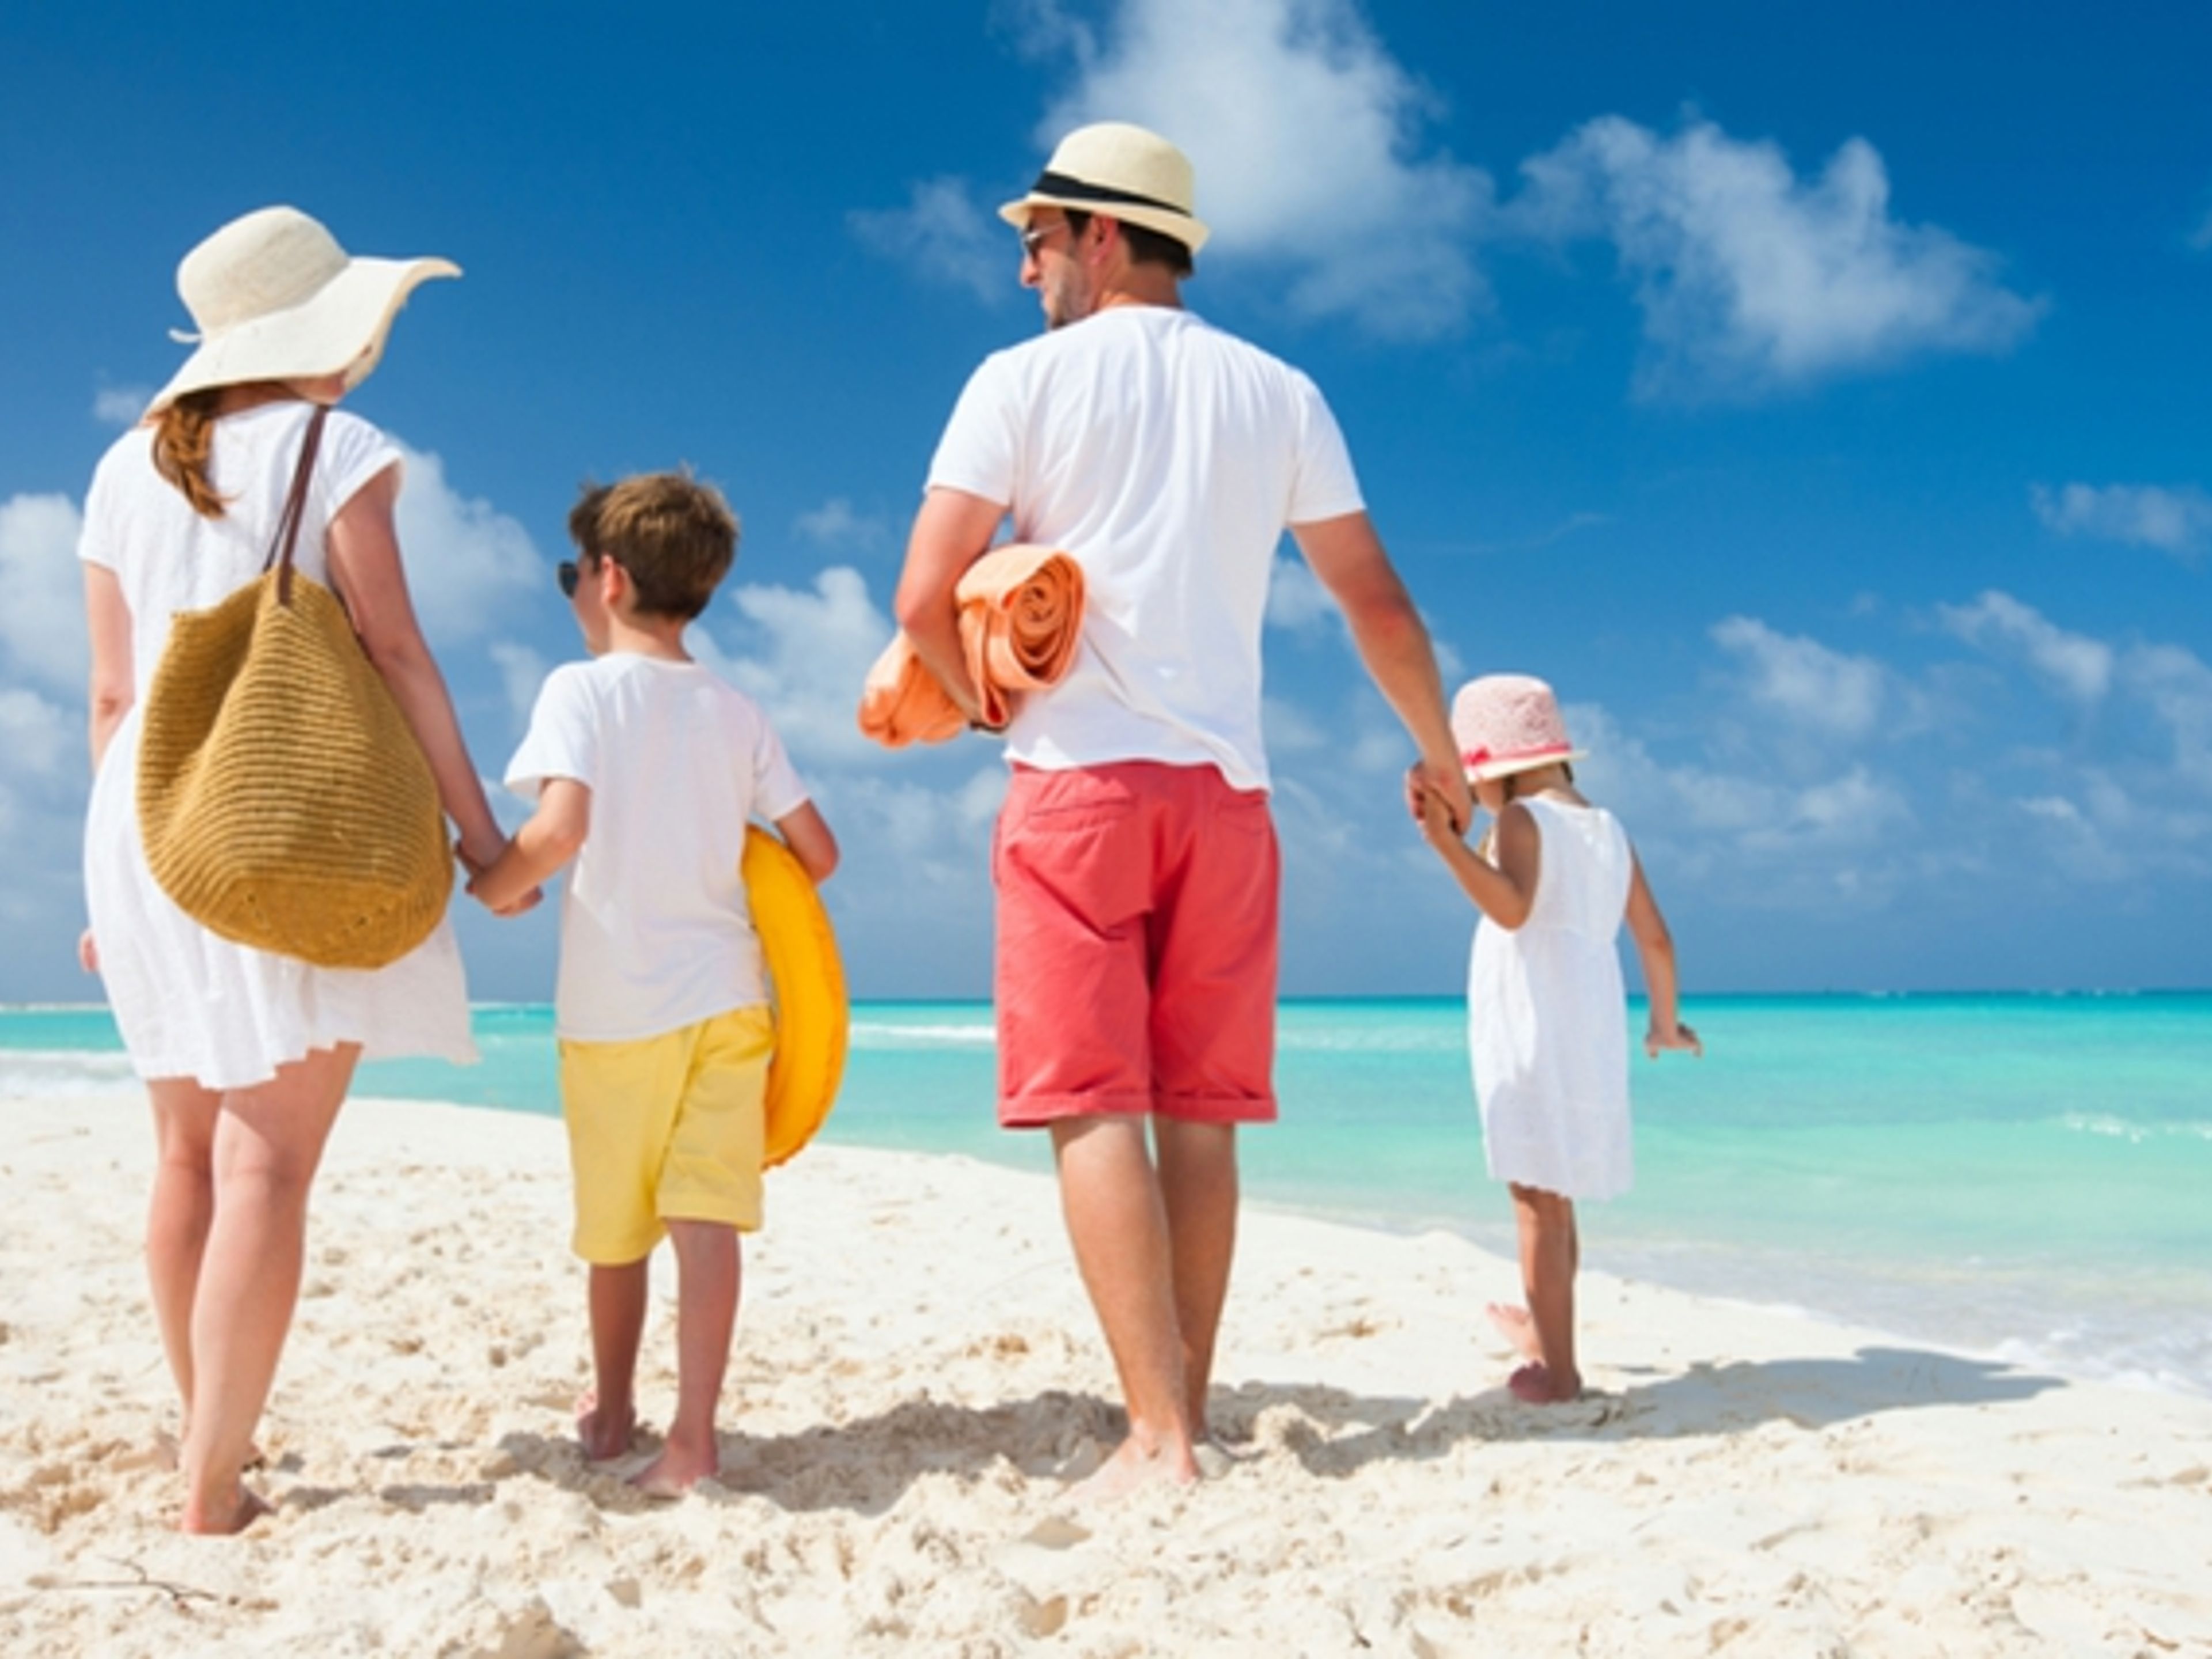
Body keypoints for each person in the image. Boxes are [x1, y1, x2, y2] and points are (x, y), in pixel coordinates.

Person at [891, 122, 1471, 1497]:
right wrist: (1440, 753)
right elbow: (1373, 602)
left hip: (1076, 788)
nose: (1024, 265)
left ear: (1102, 235)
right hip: (1230, 800)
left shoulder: (1015, 383)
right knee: (1197, 1112)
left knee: (1092, 1105)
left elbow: (922, 598)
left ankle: (1153, 1434)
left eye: (1037, 238)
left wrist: (980, 701)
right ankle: (1183, 1409)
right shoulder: (1280, 392)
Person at [77, 206, 508, 1532]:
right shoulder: (341, 446)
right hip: (278, 806)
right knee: (266, 1164)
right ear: (324, 328)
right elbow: (394, 651)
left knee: (186, 1159)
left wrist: (124, 884)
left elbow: (110, 694)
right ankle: (211, 1487)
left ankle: (212, 1439)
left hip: (146, 819)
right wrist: (479, 839)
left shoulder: (118, 468)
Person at [469, 473, 838, 1496]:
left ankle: (613, 1416)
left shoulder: (577, 692)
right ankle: (693, 1442)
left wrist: (491, 884)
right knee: (705, 1222)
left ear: (610, 579)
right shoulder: (737, 711)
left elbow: (559, 831)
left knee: (618, 1234)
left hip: (616, 1011)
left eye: (570, 573)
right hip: (730, 1003)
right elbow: (817, 851)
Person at [1414, 674, 1699, 1404]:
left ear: (1495, 768)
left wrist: (1446, 845)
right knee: (1556, 1195)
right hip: (1590, 1027)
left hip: (1536, 1023)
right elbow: (1656, 941)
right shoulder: (1609, 830)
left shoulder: (1521, 823)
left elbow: (1512, 910)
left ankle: (1560, 1373)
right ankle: (1549, 1331)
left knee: (1535, 1199)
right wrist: (1664, 1024)